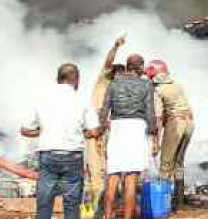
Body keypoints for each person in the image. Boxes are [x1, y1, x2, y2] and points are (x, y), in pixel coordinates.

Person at [23, 63, 103, 219]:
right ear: (76, 79)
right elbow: (94, 131)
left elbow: (25, 130)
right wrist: (84, 132)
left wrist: (44, 131)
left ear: (58, 78)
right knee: (72, 201)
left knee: (45, 199)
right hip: (73, 155)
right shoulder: (82, 100)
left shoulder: (42, 98)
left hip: (48, 154)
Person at [100, 54, 158, 219]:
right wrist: (153, 132)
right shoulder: (146, 85)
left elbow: (104, 110)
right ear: (140, 67)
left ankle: (107, 216)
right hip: (136, 128)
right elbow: (150, 111)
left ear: (127, 66)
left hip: (117, 127)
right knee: (131, 178)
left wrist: (102, 130)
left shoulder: (113, 84)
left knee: (113, 176)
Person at [83, 36, 125, 218]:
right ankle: (89, 212)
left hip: (109, 134)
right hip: (93, 133)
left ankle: (107, 210)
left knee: (112, 173)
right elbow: (108, 62)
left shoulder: (120, 91)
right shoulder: (104, 80)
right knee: (93, 174)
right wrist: (115, 46)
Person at [147, 59, 195, 212]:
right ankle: (179, 200)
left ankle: (164, 203)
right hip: (189, 123)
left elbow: (158, 117)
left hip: (175, 124)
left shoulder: (158, 90)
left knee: (166, 164)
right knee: (178, 162)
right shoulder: (177, 85)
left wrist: (156, 141)